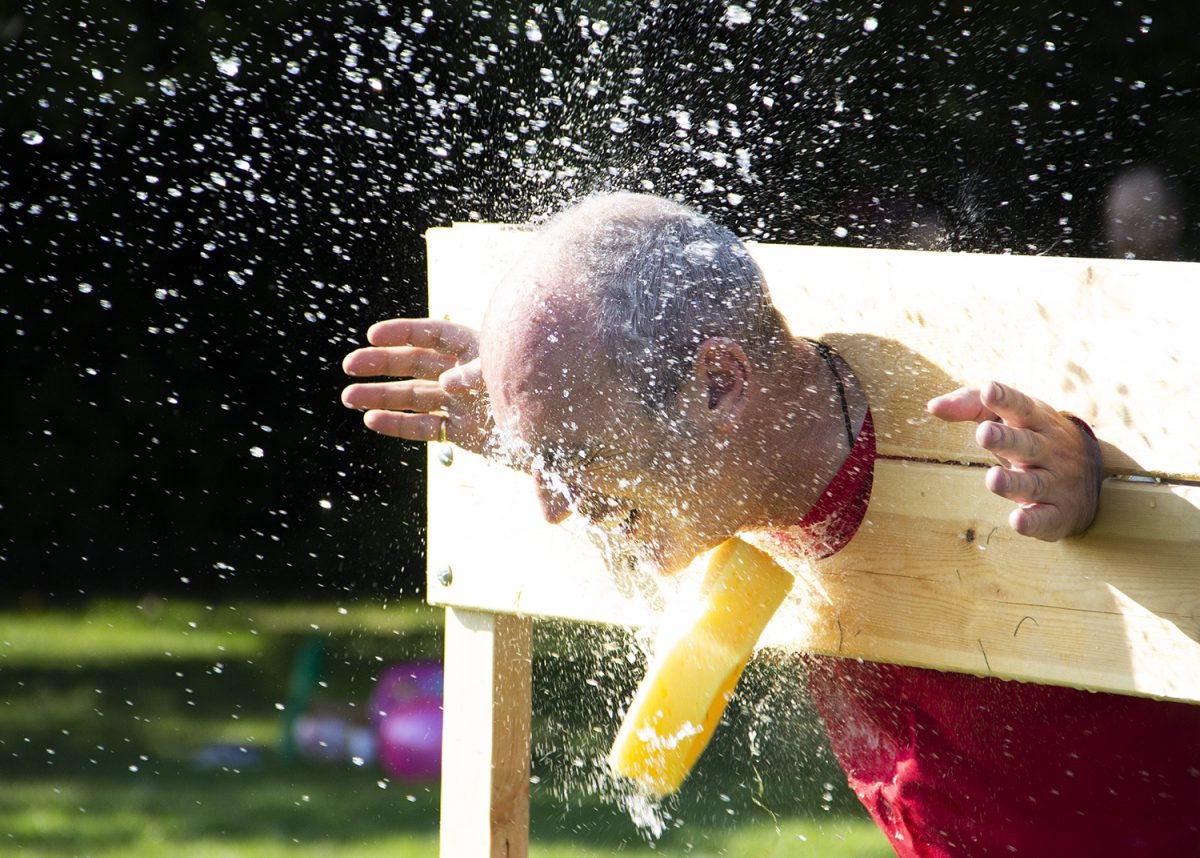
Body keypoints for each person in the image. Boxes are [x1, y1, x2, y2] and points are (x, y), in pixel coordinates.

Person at [342, 193, 1200, 856]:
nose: (551, 504)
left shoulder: (1000, 462)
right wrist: (535, 423)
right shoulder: (721, 485)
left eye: (573, 453)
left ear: (720, 385)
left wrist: (1098, 487)